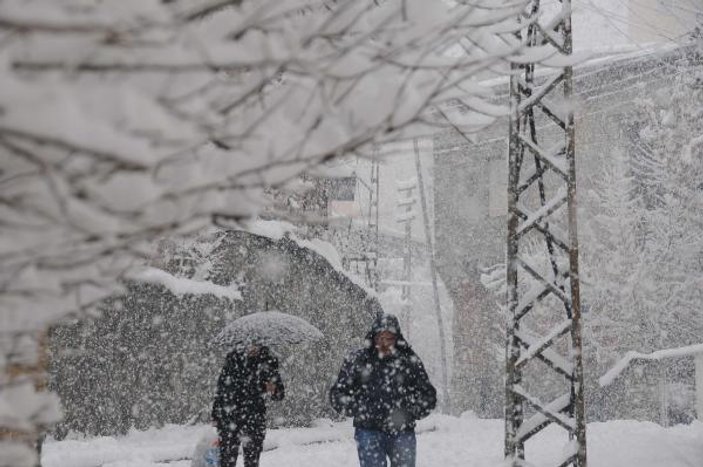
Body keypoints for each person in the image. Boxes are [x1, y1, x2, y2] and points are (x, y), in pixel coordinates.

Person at [329, 312, 437, 467]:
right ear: (373, 338)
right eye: (380, 338)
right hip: (368, 431)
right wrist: (359, 408)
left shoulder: (409, 361)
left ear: (397, 339)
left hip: (402, 432)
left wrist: (411, 411)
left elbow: (428, 395)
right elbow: (337, 394)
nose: (384, 343)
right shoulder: (357, 360)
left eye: (389, 338)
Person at [212, 344, 284, 467]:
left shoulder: (268, 361)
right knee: (227, 460)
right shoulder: (233, 360)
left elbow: (279, 394)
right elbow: (223, 389)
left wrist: (275, 389)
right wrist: (215, 413)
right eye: (250, 344)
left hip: (254, 419)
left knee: (252, 461)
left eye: (256, 344)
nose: (252, 347)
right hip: (230, 418)